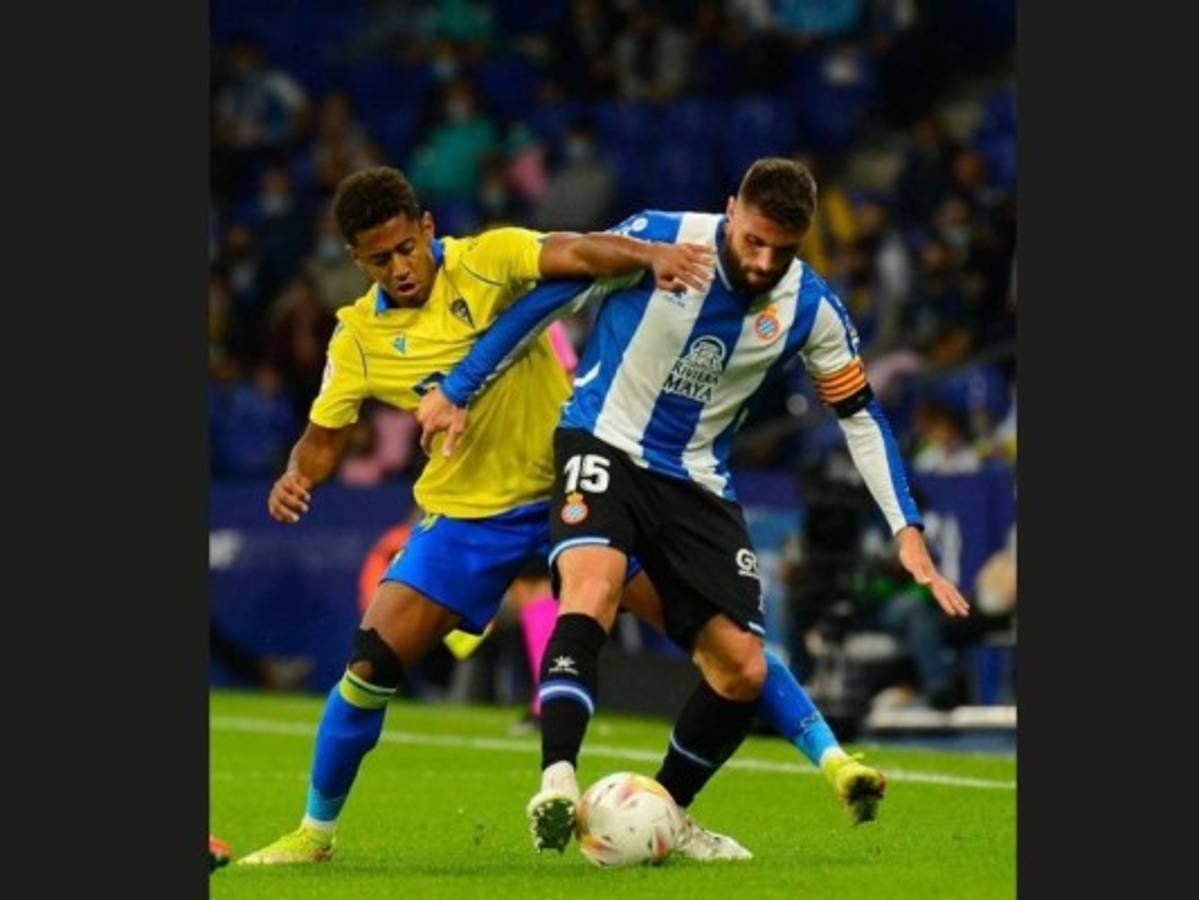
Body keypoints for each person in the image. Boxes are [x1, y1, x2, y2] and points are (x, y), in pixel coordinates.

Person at [416, 157, 970, 858]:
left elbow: (859, 417)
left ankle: (665, 816)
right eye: (754, 240)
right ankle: (557, 780)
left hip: (697, 482)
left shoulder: (810, 307)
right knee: (592, 586)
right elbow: (544, 302)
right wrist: (459, 388)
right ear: (730, 208)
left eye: (783, 249)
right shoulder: (659, 239)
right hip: (604, 440)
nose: (765, 261)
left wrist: (906, 528)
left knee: (740, 666)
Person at [238, 166, 713, 865]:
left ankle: (716, 800)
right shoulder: (357, 338)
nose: (399, 268)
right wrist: (293, 476)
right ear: (355, 259)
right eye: (379, 259)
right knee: (369, 663)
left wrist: (649, 256)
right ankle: (315, 834)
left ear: (426, 227)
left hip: (570, 490)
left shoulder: (488, 260)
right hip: (466, 515)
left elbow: (578, 253)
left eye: (405, 248)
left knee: (708, 632)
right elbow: (325, 437)